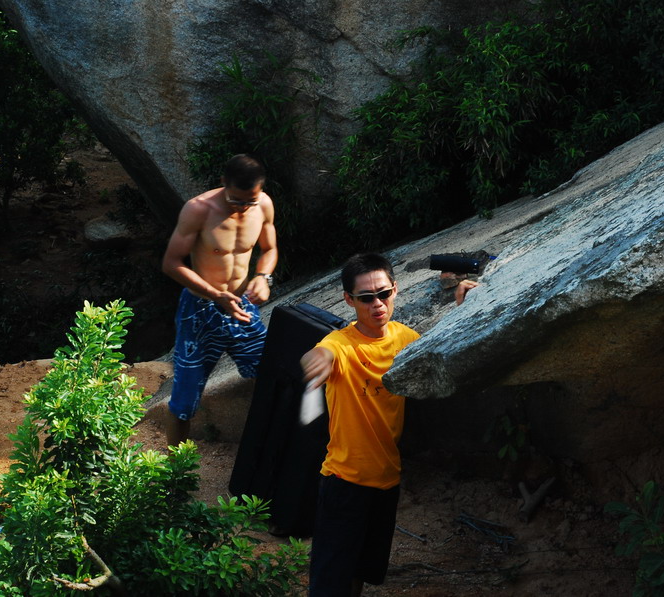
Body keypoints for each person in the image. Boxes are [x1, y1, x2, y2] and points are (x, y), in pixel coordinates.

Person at [300, 253, 475, 596]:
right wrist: (315, 360)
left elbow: (444, 354)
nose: (377, 304)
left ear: (395, 289)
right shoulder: (340, 345)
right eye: (366, 298)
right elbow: (322, 353)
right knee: (330, 581)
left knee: (361, 570)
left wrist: (464, 308)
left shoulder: (404, 338)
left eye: (383, 294)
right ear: (349, 300)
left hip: (387, 479)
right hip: (345, 482)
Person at [161, 154, 278, 447]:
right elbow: (171, 263)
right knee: (185, 399)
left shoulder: (263, 204)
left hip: (242, 306)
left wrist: (263, 277)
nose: (243, 207)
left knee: (272, 375)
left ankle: (273, 449)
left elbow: (270, 248)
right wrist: (216, 295)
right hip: (200, 310)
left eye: (250, 200)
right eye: (236, 199)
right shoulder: (199, 209)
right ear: (223, 182)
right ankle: (174, 467)